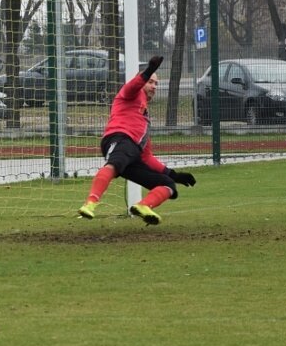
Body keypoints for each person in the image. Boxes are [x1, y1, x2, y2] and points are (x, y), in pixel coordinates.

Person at [77, 55, 197, 225]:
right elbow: (134, 85)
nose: (154, 86)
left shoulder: (145, 120)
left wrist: (174, 175)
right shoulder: (130, 93)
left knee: (168, 185)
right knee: (114, 164)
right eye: (151, 82)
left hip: (133, 154)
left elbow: (147, 157)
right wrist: (148, 71)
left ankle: (143, 206)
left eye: (156, 83)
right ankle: (90, 203)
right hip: (119, 138)